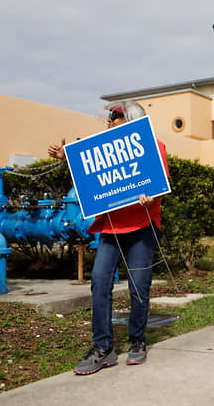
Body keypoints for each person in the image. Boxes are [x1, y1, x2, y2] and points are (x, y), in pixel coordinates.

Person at [48, 100, 169, 375]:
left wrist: (152, 194)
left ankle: (137, 341)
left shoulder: (154, 145)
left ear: (129, 120)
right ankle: (103, 348)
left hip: (142, 225)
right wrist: (66, 158)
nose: (109, 122)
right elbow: (91, 170)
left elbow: (160, 183)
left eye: (114, 117)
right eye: (110, 118)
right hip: (111, 227)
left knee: (139, 286)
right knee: (100, 281)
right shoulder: (104, 147)